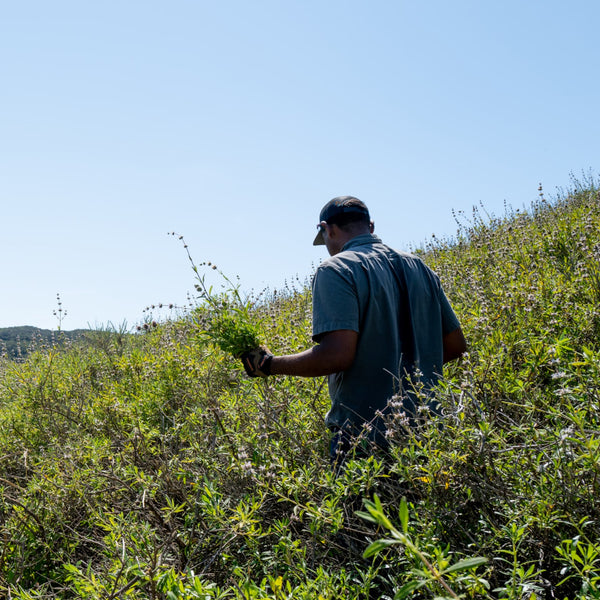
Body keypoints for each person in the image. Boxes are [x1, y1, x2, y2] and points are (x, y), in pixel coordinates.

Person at [242, 196, 466, 464]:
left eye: (324, 238)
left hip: (366, 436)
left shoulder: (336, 269)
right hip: (430, 431)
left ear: (328, 229)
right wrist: (410, 371)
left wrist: (268, 365)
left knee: (363, 507)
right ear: (370, 226)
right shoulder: (420, 267)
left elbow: (336, 355)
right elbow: (455, 346)